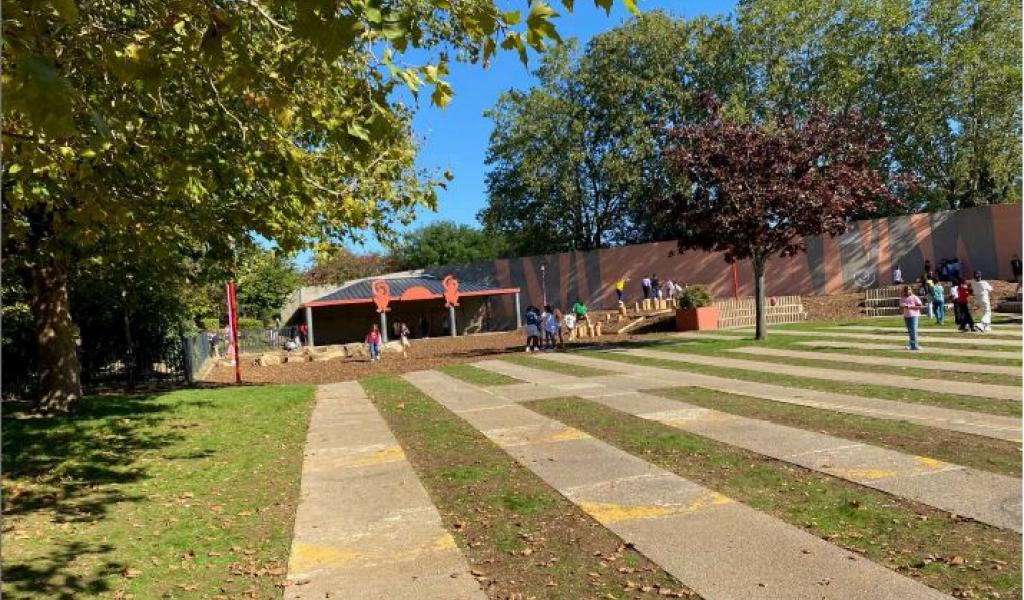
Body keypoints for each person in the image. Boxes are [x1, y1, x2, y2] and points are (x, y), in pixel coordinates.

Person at [900, 285, 923, 351]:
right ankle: (912, 345)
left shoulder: (914, 297)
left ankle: (915, 345)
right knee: (910, 331)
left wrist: (910, 307)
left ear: (911, 290)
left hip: (914, 316)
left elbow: (920, 306)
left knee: (913, 330)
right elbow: (901, 307)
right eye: (906, 290)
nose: (908, 291)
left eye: (909, 289)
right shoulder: (902, 298)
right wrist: (902, 308)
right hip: (906, 316)